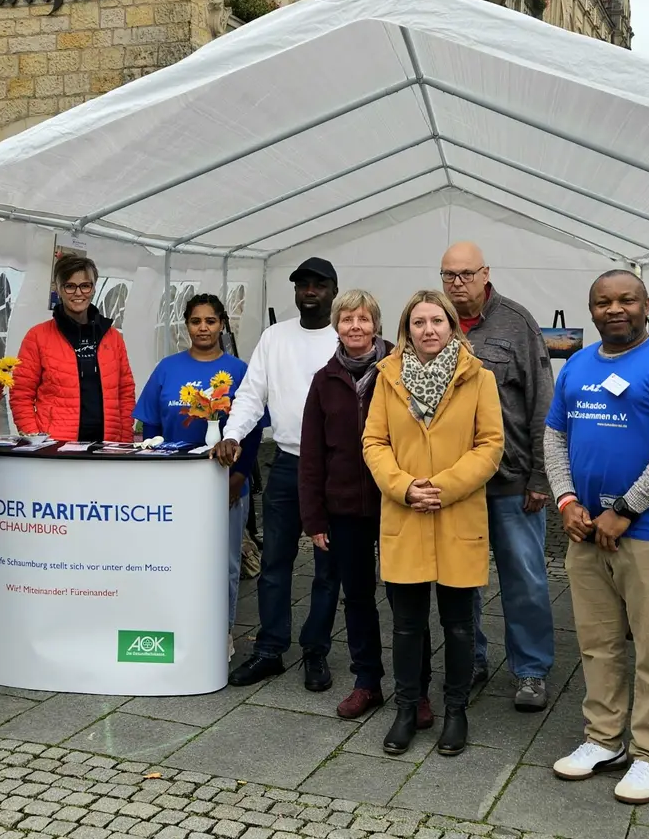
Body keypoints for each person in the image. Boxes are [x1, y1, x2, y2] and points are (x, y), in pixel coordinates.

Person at [543, 270, 649, 803]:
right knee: (596, 643)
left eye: (626, 300)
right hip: (585, 530)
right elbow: (555, 436)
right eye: (603, 302)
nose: (614, 309)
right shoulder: (579, 365)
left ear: (646, 304)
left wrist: (626, 509)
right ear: (590, 309)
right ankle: (603, 739)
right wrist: (567, 501)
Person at [361, 289, 504, 757]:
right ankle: (407, 709)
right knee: (406, 624)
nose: (428, 330)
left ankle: (456, 711)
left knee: (460, 625)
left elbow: (490, 445)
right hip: (405, 512)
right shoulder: (387, 376)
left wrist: (444, 486)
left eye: (436, 321)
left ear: (452, 326)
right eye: (418, 323)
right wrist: (403, 486)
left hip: (456, 512)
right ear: (407, 331)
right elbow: (374, 442)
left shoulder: (478, 377)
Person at [298, 289, 436, 723]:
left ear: (377, 324)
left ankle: (417, 689)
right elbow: (312, 453)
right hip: (344, 509)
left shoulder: (400, 371)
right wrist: (314, 516)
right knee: (356, 597)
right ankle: (367, 682)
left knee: (406, 600)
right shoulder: (325, 380)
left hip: (397, 503)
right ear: (336, 326)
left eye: (363, 319)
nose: (354, 327)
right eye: (346, 319)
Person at [213, 257, 344, 690]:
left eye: (318, 285)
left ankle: (316, 650)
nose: (309, 291)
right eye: (302, 284)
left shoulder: (346, 338)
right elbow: (251, 396)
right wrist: (232, 434)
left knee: (328, 567)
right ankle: (269, 648)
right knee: (275, 562)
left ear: (333, 291)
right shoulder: (275, 337)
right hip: (288, 462)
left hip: (334, 467)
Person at [438, 241, 556, 711]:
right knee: (460, 579)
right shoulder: (432, 321)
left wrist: (540, 478)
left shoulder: (516, 321)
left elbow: (541, 401)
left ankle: (530, 671)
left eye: (466, 274)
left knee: (524, 579)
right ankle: (470, 660)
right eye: (449, 275)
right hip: (456, 482)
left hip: (510, 481)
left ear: (486, 273)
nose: (457, 283)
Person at [134, 293, 267, 661]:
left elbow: (253, 431)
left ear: (222, 324)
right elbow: (151, 426)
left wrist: (238, 477)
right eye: (196, 321)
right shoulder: (167, 368)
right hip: (175, 484)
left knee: (223, 561)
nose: (203, 328)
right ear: (186, 325)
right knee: (173, 556)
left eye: (210, 321)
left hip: (223, 482)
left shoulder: (239, 371)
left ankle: (220, 631)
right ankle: (176, 624)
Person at [9, 255, 136, 443]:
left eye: (85, 285)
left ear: (93, 288)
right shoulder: (38, 336)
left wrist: (124, 441)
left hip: (107, 446)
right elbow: (21, 393)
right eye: (70, 286)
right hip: (57, 448)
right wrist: (35, 439)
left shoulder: (112, 337)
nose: (78, 293)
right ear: (58, 289)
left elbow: (125, 392)